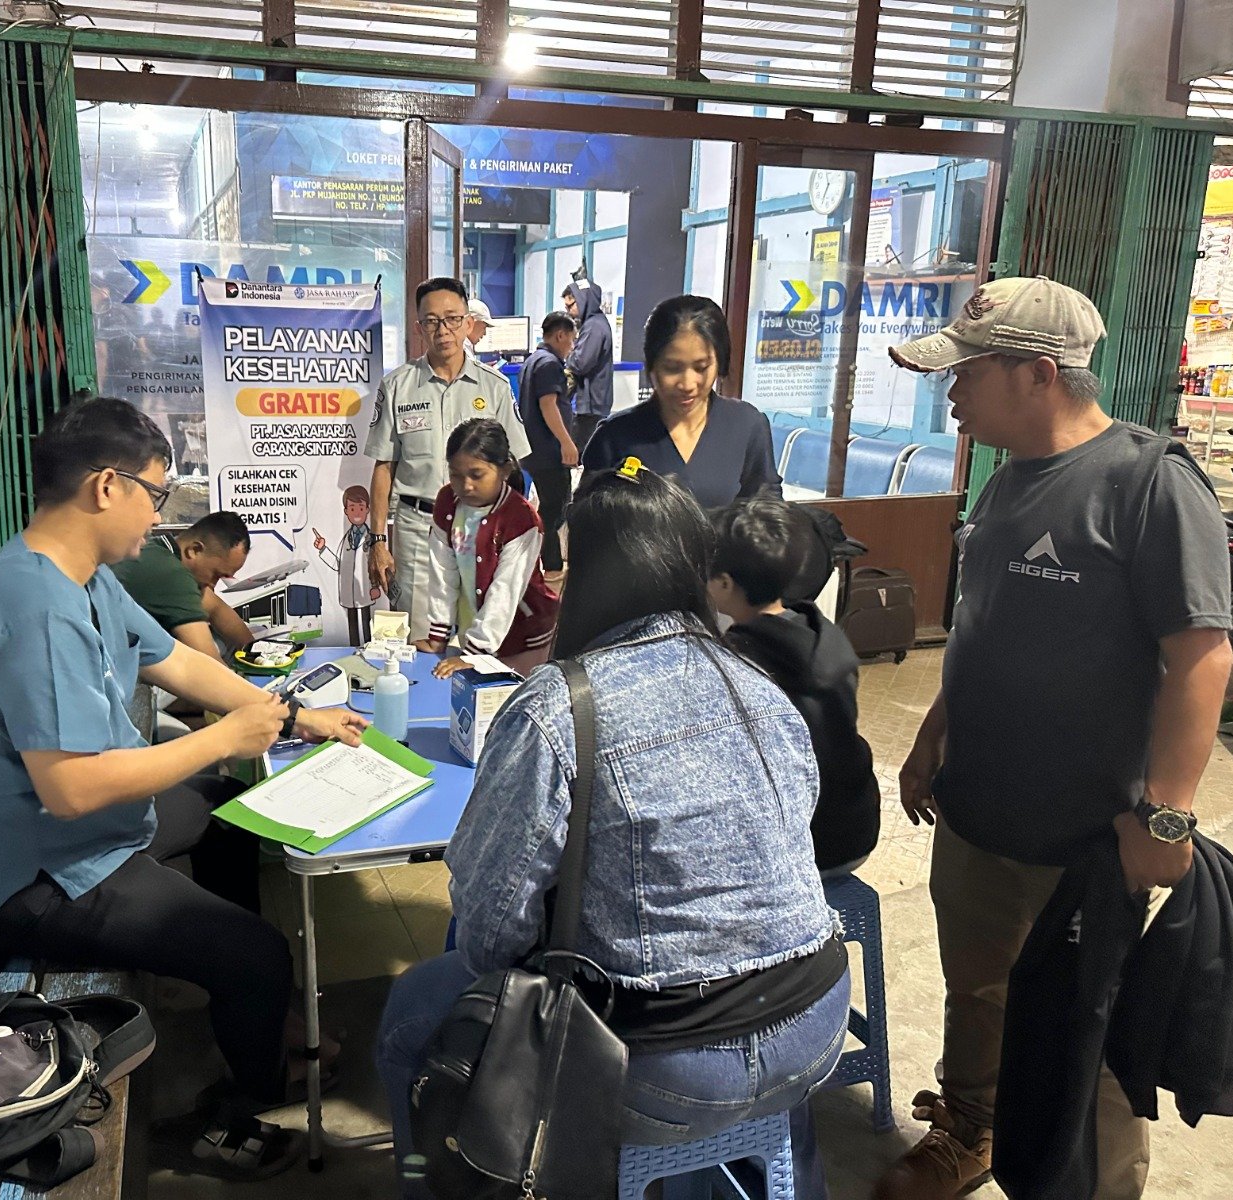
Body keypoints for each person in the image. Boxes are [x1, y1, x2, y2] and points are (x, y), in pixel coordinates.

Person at [377, 460, 850, 1200]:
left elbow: (490, 931)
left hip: (668, 1063)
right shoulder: (759, 685)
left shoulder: (557, 707)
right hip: (813, 1024)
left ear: (589, 576)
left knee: (412, 1011)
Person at [0, 397, 367, 1181]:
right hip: (44, 874)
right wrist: (223, 738)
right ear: (107, 486)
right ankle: (241, 1108)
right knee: (258, 956)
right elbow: (68, 789)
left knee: (233, 815)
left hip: (93, 835)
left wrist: (290, 715)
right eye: (155, 494)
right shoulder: (34, 607)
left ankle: (250, 1010)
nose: (159, 517)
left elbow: (175, 660)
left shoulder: (84, 577)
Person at [874, 277, 1233, 1200]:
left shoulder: (1148, 483)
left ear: (1038, 374)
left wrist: (1165, 820)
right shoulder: (1001, 484)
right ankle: (973, 1130)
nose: (948, 392)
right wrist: (930, 739)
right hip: (979, 808)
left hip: (1086, 836)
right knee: (979, 992)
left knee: (1090, 1028)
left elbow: (1203, 659)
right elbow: (982, 631)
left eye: (966, 373)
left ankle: (1102, 1185)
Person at [709, 498, 879, 875]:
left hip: (809, 847)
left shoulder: (738, 663)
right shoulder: (823, 632)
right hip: (857, 825)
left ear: (723, 583)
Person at [365, 277, 531, 640]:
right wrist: (378, 540)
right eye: (432, 321)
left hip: (482, 531)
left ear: (469, 324)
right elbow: (384, 466)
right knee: (421, 636)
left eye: (453, 319)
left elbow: (515, 466)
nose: (443, 330)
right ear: (419, 328)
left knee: (481, 634)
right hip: (418, 531)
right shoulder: (397, 386)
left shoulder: (495, 388)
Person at [582, 295, 781, 508]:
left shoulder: (746, 425)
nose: (687, 384)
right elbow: (588, 521)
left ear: (719, 361)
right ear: (651, 365)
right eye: (672, 368)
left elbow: (767, 513)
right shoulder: (614, 437)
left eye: (701, 367)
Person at [411, 419, 558, 677]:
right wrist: (439, 634)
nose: (465, 485)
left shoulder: (521, 519)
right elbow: (442, 572)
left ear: (505, 470)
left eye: (477, 475)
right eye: (456, 474)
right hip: (476, 634)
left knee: (508, 704)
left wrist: (475, 654)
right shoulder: (448, 502)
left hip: (523, 638)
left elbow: (505, 591)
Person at [110, 511, 256, 661]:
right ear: (194, 550)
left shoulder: (162, 550)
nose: (214, 583)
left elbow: (216, 608)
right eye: (216, 574)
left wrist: (256, 653)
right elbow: (208, 662)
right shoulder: (171, 573)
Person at [518, 310, 579, 581]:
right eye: (572, 340)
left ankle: (547, 564)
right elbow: (548, 405)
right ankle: (552, 568)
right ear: (560, 335)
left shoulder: (533, 361)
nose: (572, 346)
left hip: (534, 450)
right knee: (555, 510)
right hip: (549, 451)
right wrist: (566, 442)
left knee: (550, 507)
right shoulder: (549, 364)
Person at [312, 484, 382, 645]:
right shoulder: (346, 539)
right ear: (346, 512)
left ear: (367, 510)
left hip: (365, 591)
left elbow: (376, 563)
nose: (356, 513)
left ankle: (370, 648)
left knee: (367, 624)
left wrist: (375, 587)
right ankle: (353, 650)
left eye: (360, 508)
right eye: (352, 509)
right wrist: (323, 548)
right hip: (348, 593)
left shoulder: (372, 539)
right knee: (352, 628)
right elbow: (339, 565)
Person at [562, 278, 615, 450]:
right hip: (592, 403)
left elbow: (580, 363)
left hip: (590, 405)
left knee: (578, 454)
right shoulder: (593, 324)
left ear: (584, 300)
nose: (568, 311)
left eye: (571, 305)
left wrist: (566, 352)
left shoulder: (594, 327)